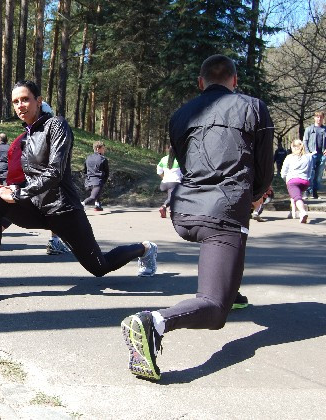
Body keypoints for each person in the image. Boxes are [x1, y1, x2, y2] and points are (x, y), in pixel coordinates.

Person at [120, 54, 274, 381]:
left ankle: (234, 291)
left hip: (184, 210)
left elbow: (186, 161)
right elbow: (263, 167)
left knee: (222, 260)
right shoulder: (254, 107)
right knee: (215, 309)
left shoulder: (180, 114)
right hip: (225, 209)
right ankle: (154, 322)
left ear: (200, 83)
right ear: (234, 81)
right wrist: (257, 193)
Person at [0, 80, 157, 305]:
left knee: (99, 267)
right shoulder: (26, 136)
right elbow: (27, 176)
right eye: (16, 102)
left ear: (39, 101)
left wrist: (17, 194)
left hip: (63, 210)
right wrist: (11, 188)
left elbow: (54, 172)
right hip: (36, 208)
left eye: (25, 99)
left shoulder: (57, 125)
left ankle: (145, 248)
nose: (20, 105)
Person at [281, 139, 314, 223]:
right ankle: (293, 213)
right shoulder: (308, 157)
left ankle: (302, 212)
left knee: (297, 197)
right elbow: (310, 171)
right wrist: (307, 178)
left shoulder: (289, 157)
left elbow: (283, 172)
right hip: (304, 181)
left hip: (292, 180)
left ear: (292, 147)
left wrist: (286, 179)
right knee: (295, 195)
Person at [302, 110, 326, 198]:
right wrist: (308, 153)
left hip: (322, 155)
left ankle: (315, 192)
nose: (319, 119)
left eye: (321, 117)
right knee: (310, 174)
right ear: (314, 118)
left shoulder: (325, 129)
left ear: (323, 118)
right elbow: (305, 141)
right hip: (311, 154)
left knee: (319, 175)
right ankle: (307, 192)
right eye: (317, 117)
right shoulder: (309, 129)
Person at [82, 141, 109, 211]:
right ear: (98, 149)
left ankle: (98, 206)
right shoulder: (103, 159)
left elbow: (84, 170)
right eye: (103, 148)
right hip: (97, 182)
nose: (104, 150)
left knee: (97, 194)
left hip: (88, 183)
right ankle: (81, 205)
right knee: (93, 197)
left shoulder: (88, 158)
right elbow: (107, 173)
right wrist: (103, 182)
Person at [156, 146, 182, 218]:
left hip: (164, 184)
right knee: (175, 196)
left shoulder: (163, 159)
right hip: (175, 182)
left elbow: (159, 171)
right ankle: (164, 207)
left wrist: (163, 177)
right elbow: (183, 172)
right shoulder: (179, 159)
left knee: (171, 194)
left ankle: (171, 210)